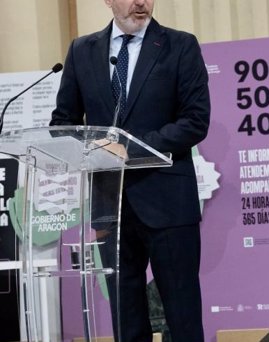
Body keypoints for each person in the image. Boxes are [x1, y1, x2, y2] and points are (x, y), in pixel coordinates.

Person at [50, 0, 209, 341]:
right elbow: (63, 124)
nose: (140, 2)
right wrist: (94, 148)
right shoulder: (82, 51)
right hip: (110, 206)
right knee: (126, 318)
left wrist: (129, 148)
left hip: (168, 202)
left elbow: (195, 122)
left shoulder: (180, 46)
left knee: (182, 316)